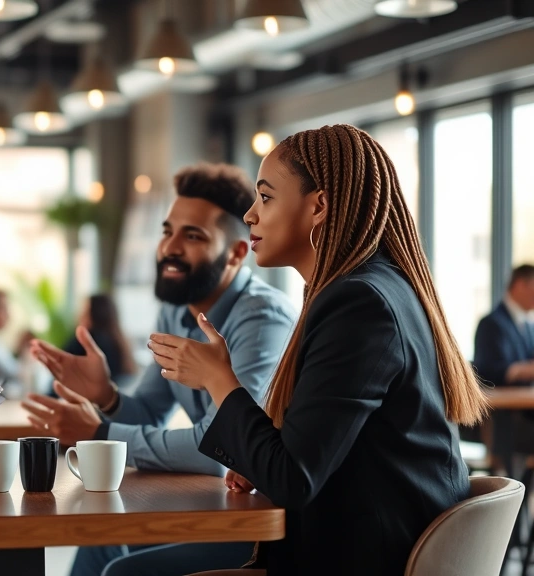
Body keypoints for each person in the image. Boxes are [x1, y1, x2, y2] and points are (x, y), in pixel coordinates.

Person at [150, 125, 487, 576]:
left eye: (266, 198)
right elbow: (315, 453)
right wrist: (257, 458)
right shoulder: (368, 288)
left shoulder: (357, 304)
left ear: (319, 206)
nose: (251, 215)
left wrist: (218, 378)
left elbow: (292, 481)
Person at [26, 164, 297, 576]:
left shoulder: (263, 319)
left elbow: (218, 452)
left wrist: (101, 434)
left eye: (193, 236)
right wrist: (108, 397)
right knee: (101, 545)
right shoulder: (175, 309)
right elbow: (151, 411)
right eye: (167, 231)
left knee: (120, 570)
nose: (170, 247)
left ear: (237, 253)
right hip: (213, 507)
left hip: (261, 526)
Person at [474, 264, 534, 468]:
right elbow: (487, 372)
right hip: (503, 420)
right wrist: (521, 370)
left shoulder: (528, 326)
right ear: (520, 285)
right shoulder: (491, 324)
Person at [62, 294, 136, 384]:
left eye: (84, 311)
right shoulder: (119, 343)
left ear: (94, 315)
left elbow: (62, 362)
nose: (79, 315)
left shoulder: (86, 340)